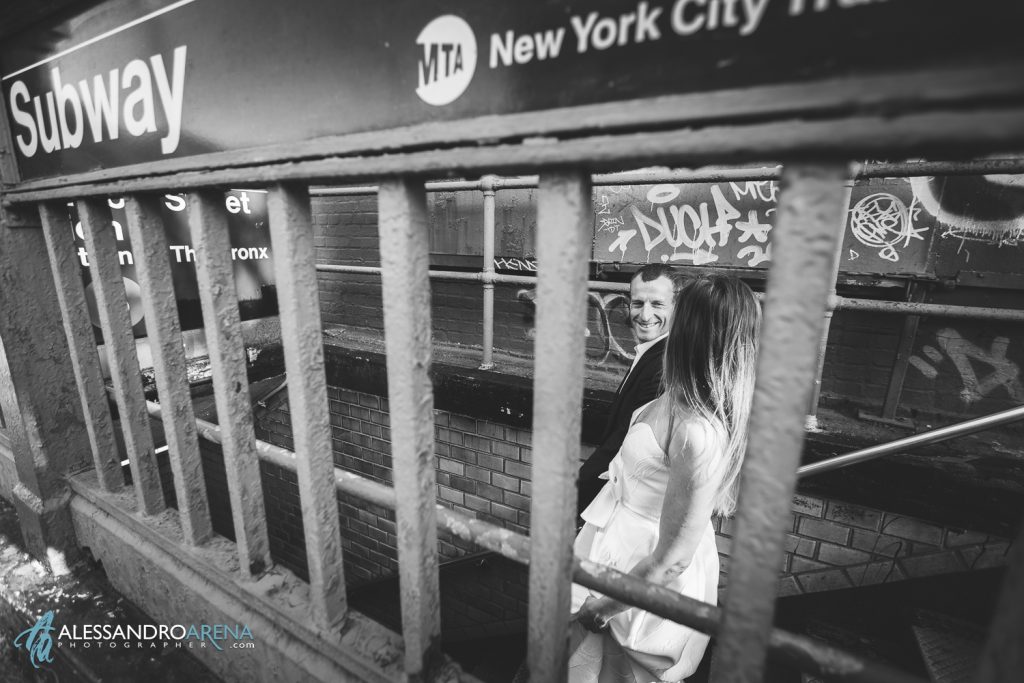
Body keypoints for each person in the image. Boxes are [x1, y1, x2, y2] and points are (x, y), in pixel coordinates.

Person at [569, 274, 761, 682]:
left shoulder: (698, 433)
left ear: (692, 331)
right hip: (611, 550)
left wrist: (604, 607)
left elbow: (673, 559)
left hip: (638, 582)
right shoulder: (674, 394)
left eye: (678, 313)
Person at [578, 264, 683, 516]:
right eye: (638, 303)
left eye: (657, 304)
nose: (645, 315)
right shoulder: (655, 353)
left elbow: (622, 442)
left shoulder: (664, 366)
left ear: (677, 307)